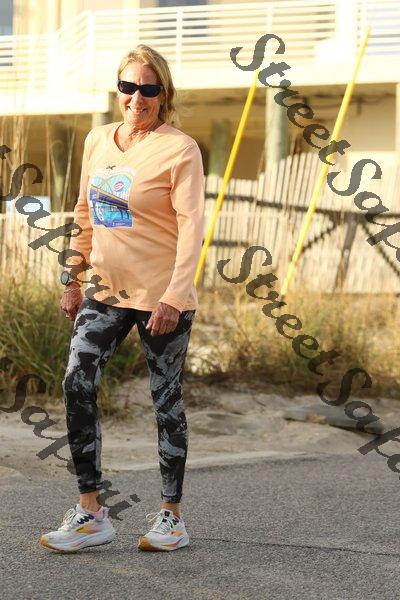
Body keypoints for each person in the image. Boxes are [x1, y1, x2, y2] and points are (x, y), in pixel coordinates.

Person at [39, 44, 205, 553]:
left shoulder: (180, 149)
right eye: (129, 86)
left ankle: (171, 517)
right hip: (105, 289)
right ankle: (92, 513)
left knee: (165, 399)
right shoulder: (97, 140)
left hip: (162, 298)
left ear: (163, 94)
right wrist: (72, 279)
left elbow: (191, 228)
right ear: (118, 90)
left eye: (149, 88)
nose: (137, 97)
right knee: (76, 382)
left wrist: (175, 295)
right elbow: (83, 213)